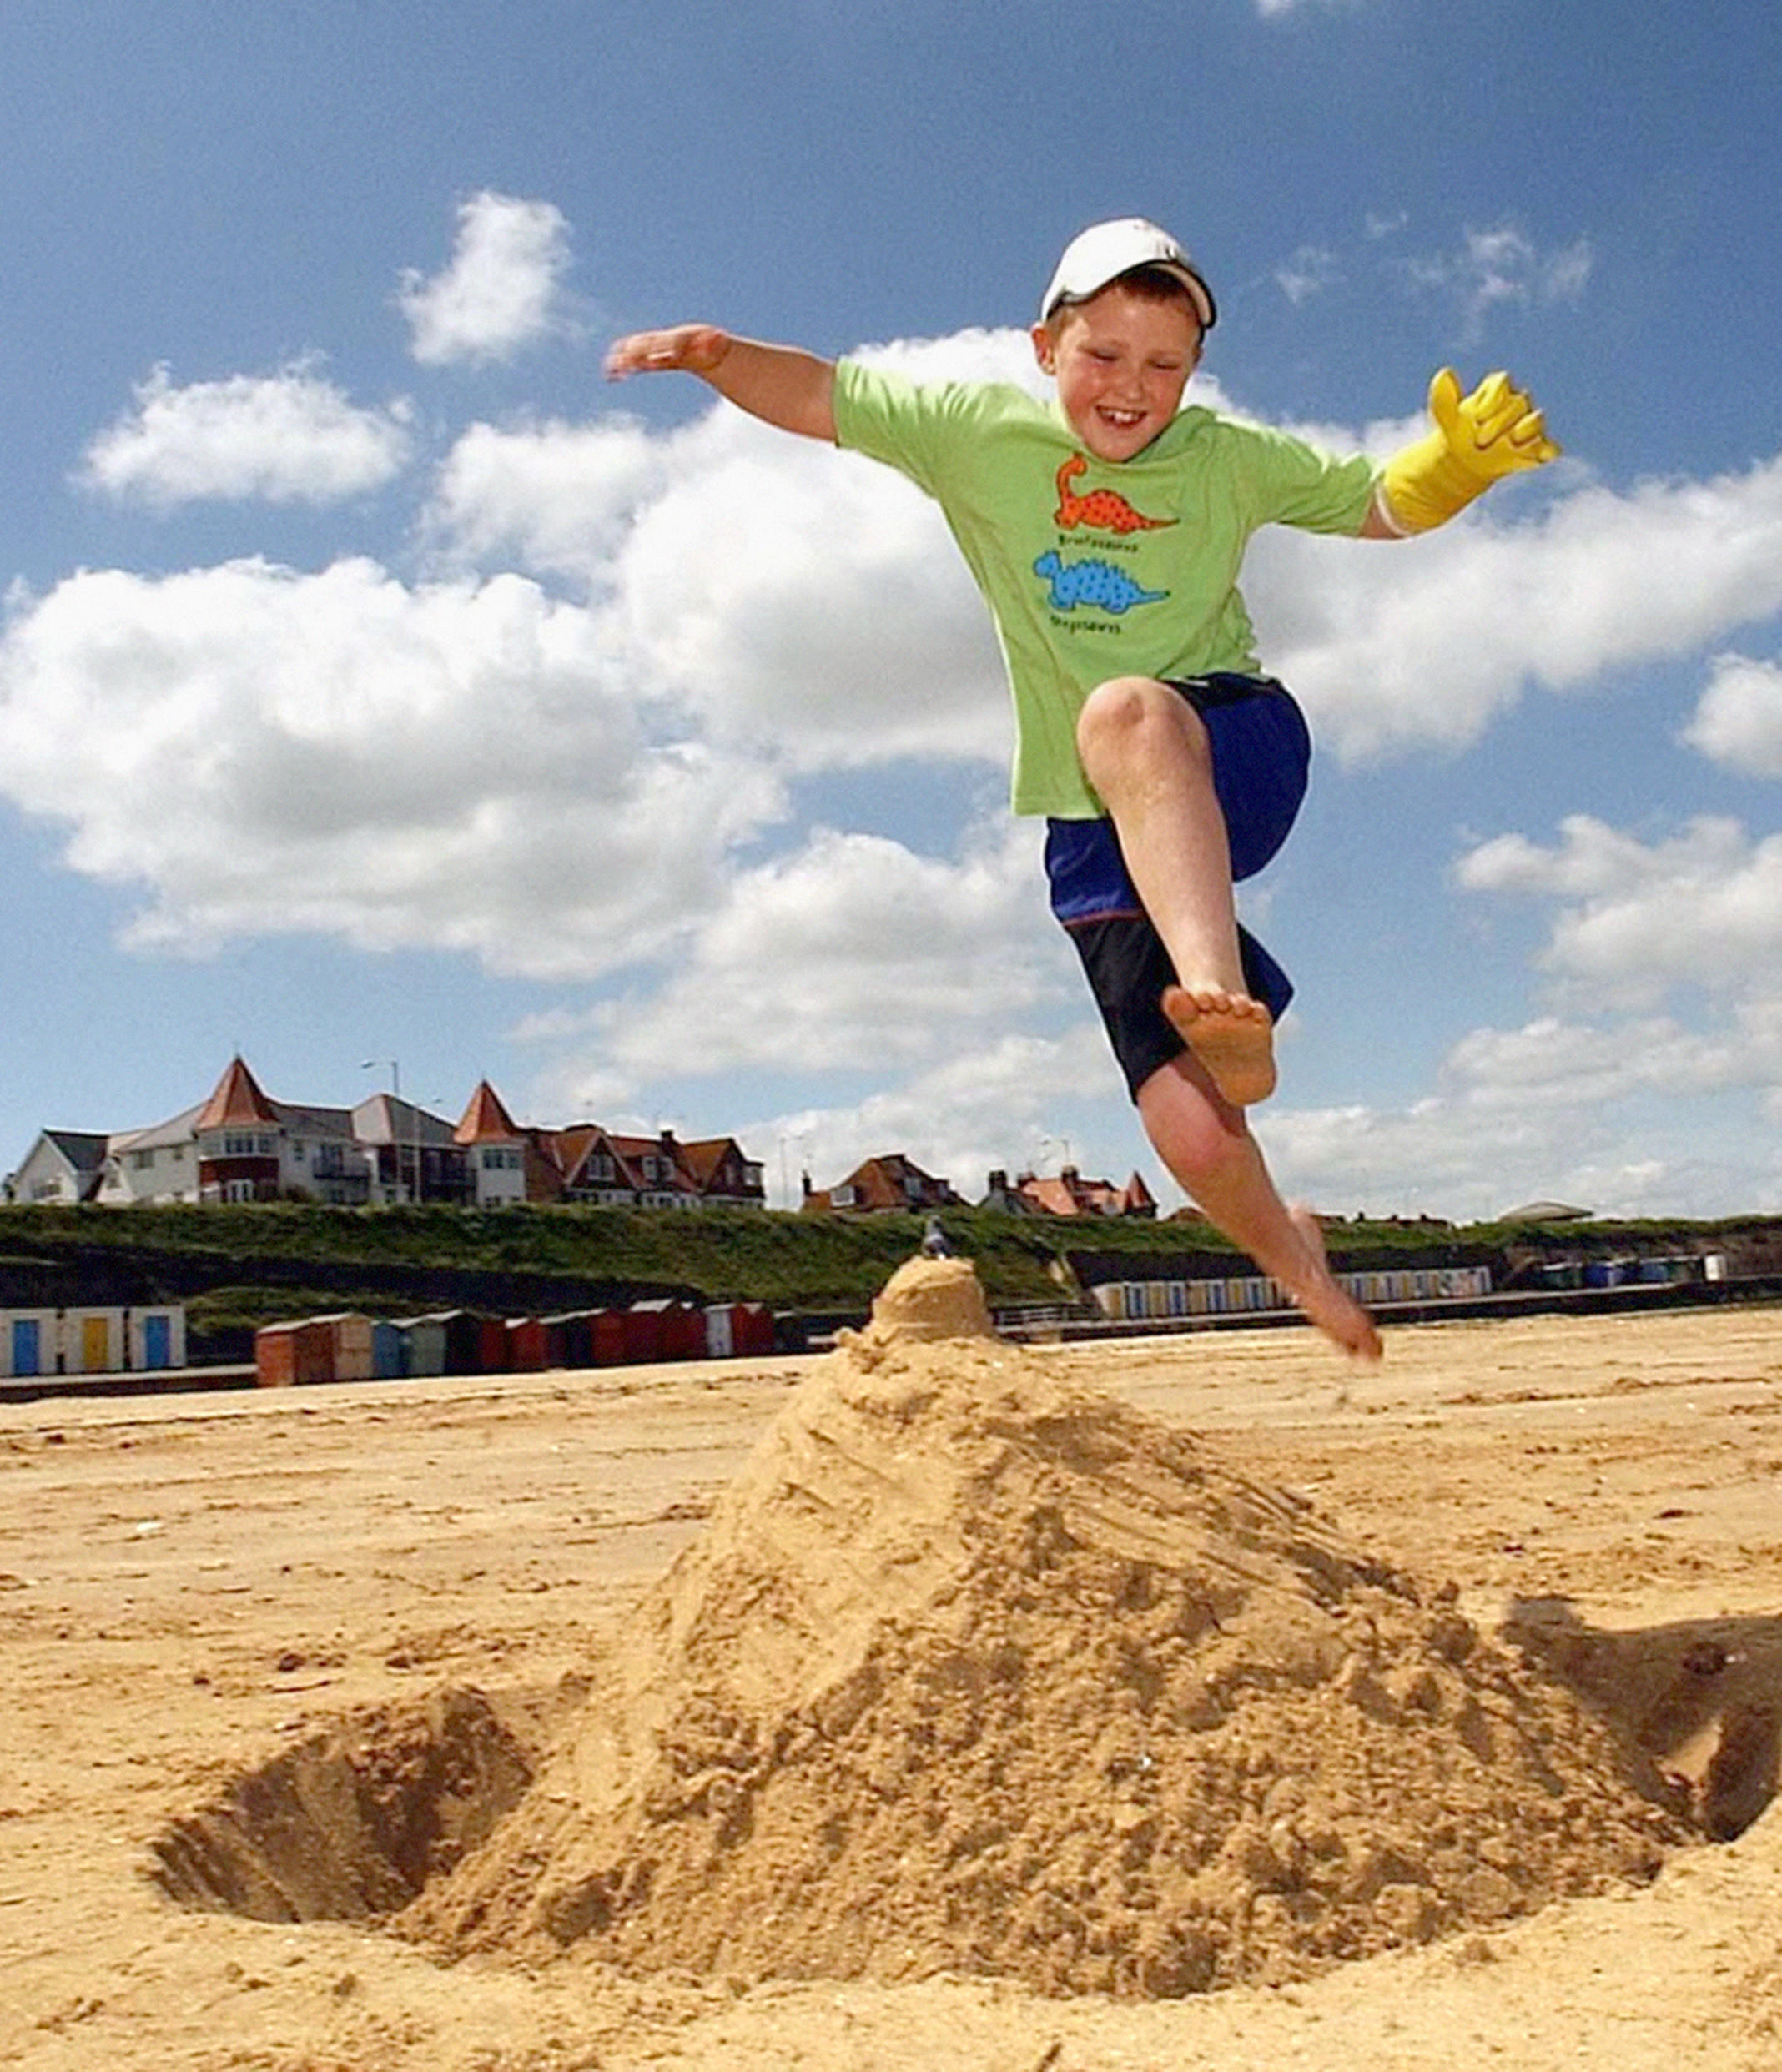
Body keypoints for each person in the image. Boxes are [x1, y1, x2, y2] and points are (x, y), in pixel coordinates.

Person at [605, 218, 1556, 1360]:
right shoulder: (976, 432)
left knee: (1126, 709)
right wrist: (719, 358)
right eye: (1104, 355)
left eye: (1165, 366)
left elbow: (1376, 501)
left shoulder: (1222, 458)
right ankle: (1301, 1265)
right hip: (1093, 821)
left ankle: (1221, 1001)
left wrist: (1455, 467)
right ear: (1046, 346)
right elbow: (824, 397)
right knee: (1188, 1133)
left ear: (1194, 375)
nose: (1132, 388)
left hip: (1228, 738)